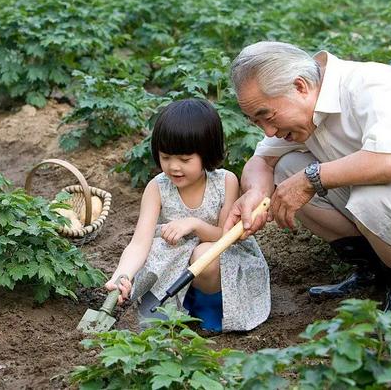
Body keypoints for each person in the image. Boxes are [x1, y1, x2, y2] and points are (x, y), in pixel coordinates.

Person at [223, 41, 391, 325]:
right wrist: (256, 192)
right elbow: (262, 161)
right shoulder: (303, 110)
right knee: (287, 168)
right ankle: (375, 271)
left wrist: (309, 179)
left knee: (365, 194)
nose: (268, 130)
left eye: (267, 116)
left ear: (300, 86)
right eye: (257, 122)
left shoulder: (373, 85)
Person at [106, 98, 270, 332]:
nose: (174, 167)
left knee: (205, 254)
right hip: (174, 261)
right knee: (170, 257)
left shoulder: (224, 182)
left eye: (184, 159)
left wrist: (194, 224)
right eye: (166, 157)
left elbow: (225, 235)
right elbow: (139, 243)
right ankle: (180, 307)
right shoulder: (157, 187)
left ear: (206, 153)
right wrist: (123, 275)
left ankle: (210, 311)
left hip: (220, 256)